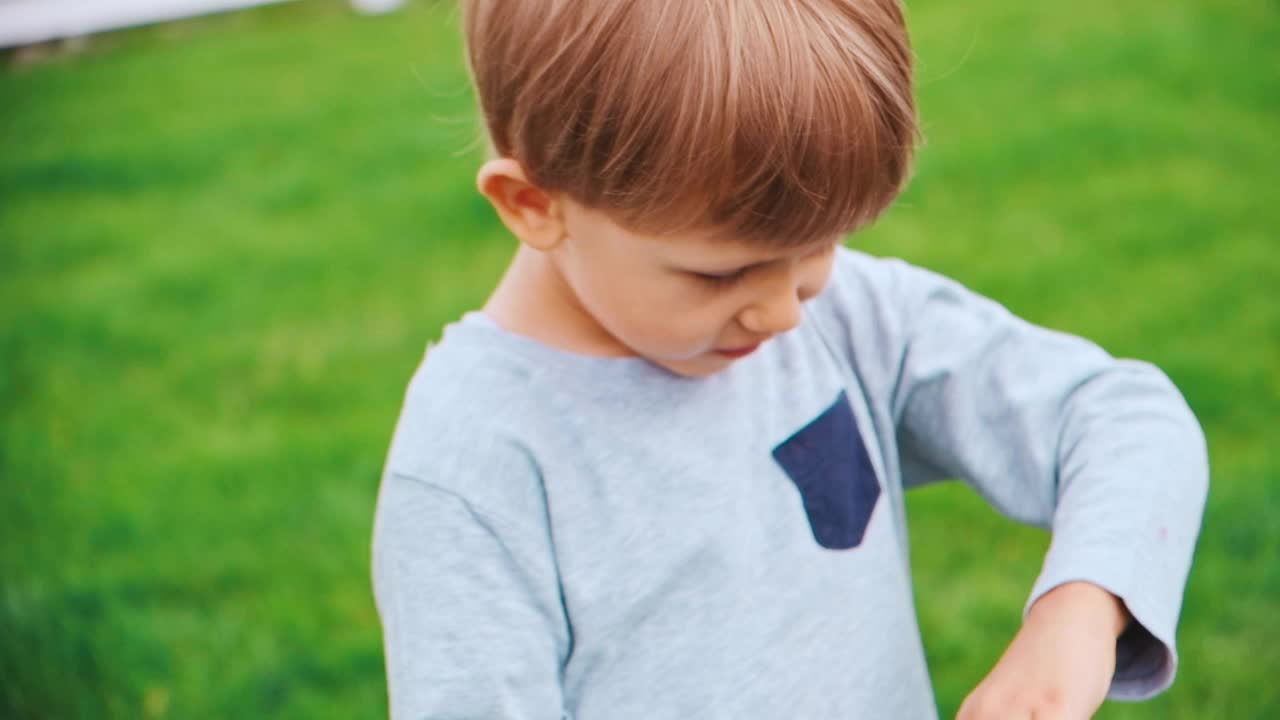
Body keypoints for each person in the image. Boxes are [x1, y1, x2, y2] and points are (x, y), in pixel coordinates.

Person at [371, 1, 1209, 718]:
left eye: (820, 246)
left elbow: (1122, 417)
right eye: (721, 271)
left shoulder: (850, 320)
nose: (781, 310)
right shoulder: (476, 466)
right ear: (533, 205)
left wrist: (1078, 613)